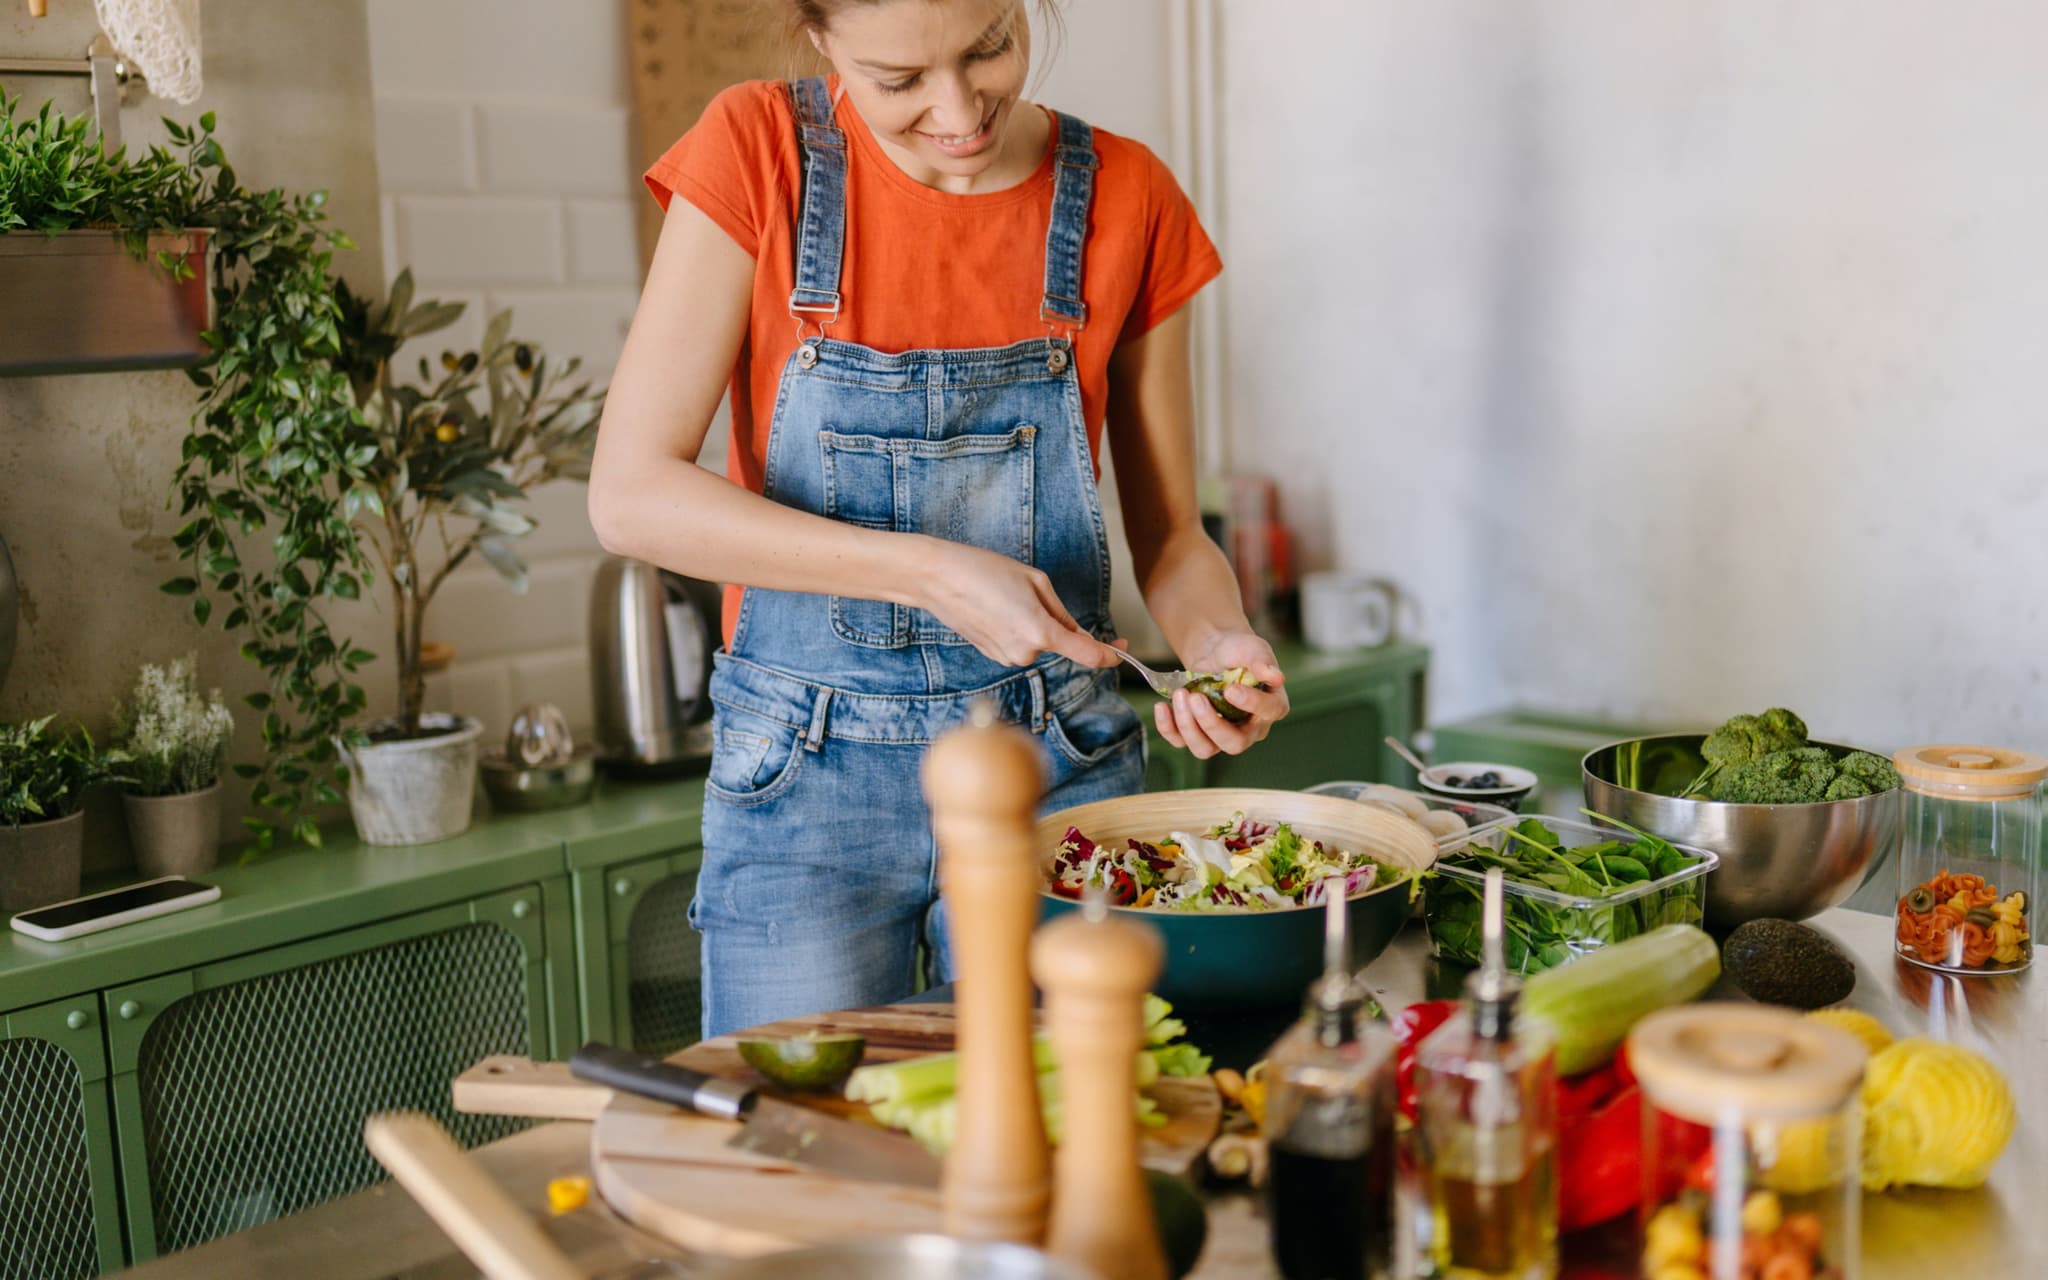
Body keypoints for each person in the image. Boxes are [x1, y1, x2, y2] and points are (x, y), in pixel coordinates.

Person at [590, 0, 1289, 1038]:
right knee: (807, 1161)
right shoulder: (756, 151)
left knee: (1064, 1143)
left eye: (988, 48)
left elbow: (1172, 536)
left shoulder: (1126, 194)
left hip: (1056, 766)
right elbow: (630, 494)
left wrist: (1214, 637)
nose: (959, 112)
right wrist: (926, 570)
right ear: (819, 39)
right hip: (801, 780)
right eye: (898, 78)